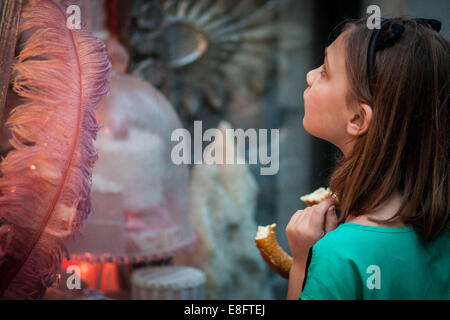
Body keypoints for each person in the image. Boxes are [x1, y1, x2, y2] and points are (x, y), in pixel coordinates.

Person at [286, 17, 449, 300]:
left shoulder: (339, 256)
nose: (310, 75)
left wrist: (302, 262)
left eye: (325, 71)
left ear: (358, 118)